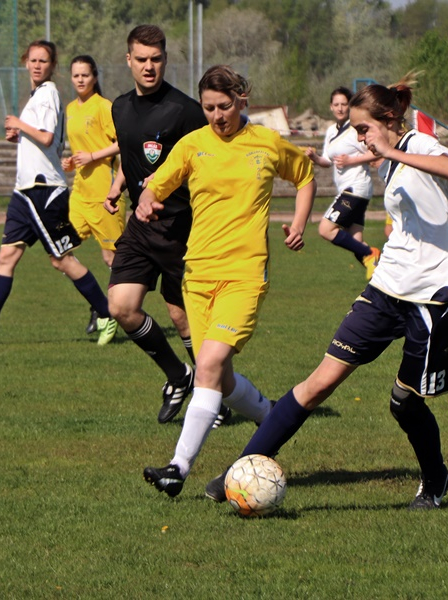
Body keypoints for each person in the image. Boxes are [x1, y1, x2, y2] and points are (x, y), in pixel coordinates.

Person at [205, 75, 448, 510]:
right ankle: (242, 465)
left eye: (364, 128)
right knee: (318, 383)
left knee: (403, 402)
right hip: (386, 288)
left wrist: (387, 150)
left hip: (432, 298)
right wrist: (363, 154)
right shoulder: (389, 153)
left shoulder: (420, 146)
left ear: (388, 120)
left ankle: (436, 478)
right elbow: (377, 158)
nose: (361, 136)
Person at [139, 65, 316, 497]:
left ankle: (178, 468)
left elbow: (305, 176)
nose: (217, 116)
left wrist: (298, 222)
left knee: (209, 365)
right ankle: (269, 415)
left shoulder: (266, 143)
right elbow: (154, 187)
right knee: (219, 376)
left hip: (244, 274)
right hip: (197, 275)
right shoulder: (192, 145)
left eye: (224, 106)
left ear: (242, 101)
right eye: (208, 108)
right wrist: (145, 203)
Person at [0, 40, 117, 346]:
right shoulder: (37, 97)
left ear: (52, 66)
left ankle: (107, 313)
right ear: (25, 62)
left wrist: (19, 124)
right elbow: (43, 142)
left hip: (43, 189)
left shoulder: (48, 93)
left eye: (44, 60)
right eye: (33, 60)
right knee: (7, 256)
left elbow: (46, 136)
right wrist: (19, 136)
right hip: (24, 191)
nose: (38, 65)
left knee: (61, 259)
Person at [105, 25, 222, 425]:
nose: (149, 67)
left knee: (181, 316)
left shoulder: (185, 110)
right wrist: (118, 184)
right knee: (121, 307)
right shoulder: (118, 107)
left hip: (181, 227)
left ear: (166, 60)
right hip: (139, 226)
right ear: (129, 61)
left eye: (156, 59)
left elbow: (207, 160)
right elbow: (130, 153)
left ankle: (212, 394)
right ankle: (178, 375)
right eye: (141, 59)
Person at [61, 54, 125, 336]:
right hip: (79, 193)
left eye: (85, 75)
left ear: (95, 77)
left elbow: (123, 143)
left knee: (112, 259)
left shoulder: (104, 107)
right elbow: (79, 149)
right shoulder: (70, 109)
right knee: (60, 250)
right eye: (76, 75)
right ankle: (100, 306)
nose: (80, 80)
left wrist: (93, 156)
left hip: (105, 193)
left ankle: (112, 312)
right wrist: (71, 161)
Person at [304, 87, 381, 279]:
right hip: (352, 190)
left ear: (350, 105)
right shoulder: (331, 131)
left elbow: (377, 151)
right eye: (336, 104)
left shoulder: (356, 129)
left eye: (344, 104)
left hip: (355, 188)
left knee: (326, 229)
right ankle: (389, 279)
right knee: (356, 243)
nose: (340, 108)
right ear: (331, 107)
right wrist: (314, 157)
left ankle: (373, 254)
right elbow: (327, 161)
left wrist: (351, 161)